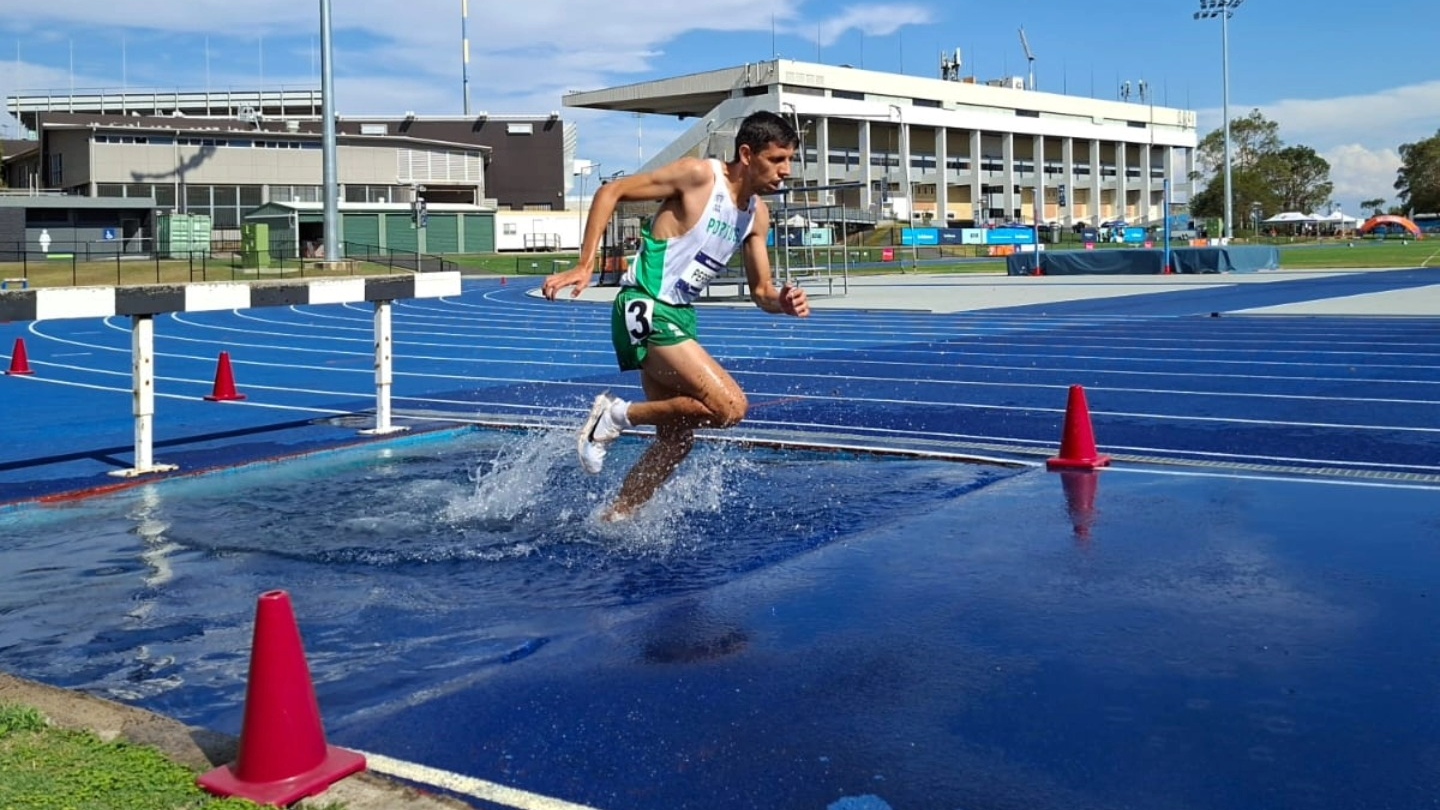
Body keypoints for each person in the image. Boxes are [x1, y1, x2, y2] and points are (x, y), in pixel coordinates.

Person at [541, 110, 810, 521]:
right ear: (746, 154)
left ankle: (617, 515)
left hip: (680, 316)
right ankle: (614, 416)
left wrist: (783, 301)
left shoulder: (757, 215)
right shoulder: (699, 177)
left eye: (790, 160)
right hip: (645, 305)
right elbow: (610, 193)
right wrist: (585, 265)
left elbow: (761, 291)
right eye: (777, 160)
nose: (786, 171)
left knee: (676, 441)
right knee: (731, 407)